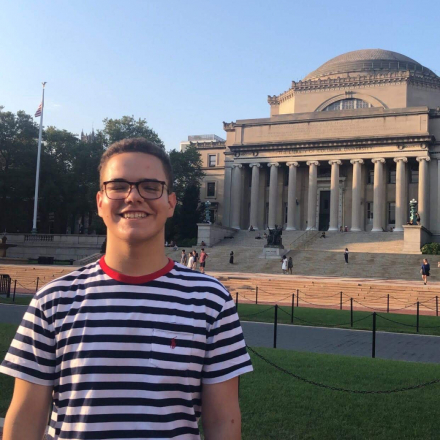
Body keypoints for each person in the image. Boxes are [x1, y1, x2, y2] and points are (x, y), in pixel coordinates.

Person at [0, 138, 252, 440]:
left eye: (150, 186)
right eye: (118, 186)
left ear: (171, 202)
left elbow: (224, 423)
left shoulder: (211, 301)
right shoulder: (53, 300)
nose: (133, 197)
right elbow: (25, 420)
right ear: (99, 201)